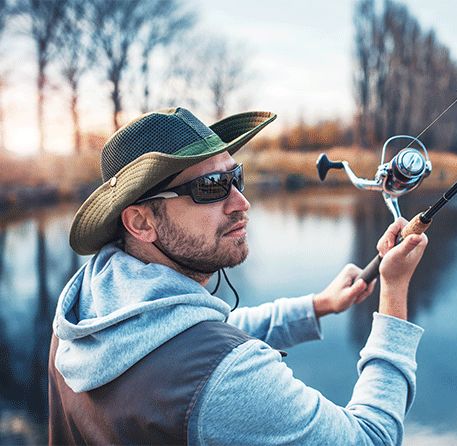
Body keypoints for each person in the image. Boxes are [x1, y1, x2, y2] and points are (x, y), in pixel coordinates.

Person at [48, 107, 428, 445]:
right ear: (140, 221)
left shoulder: (84, 311)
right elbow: (373, 437)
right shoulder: (224, 379)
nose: (241, 202)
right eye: (210, 187)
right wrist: (393, 293)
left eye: (236, 177)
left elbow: (188, 338)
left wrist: (317, 306)